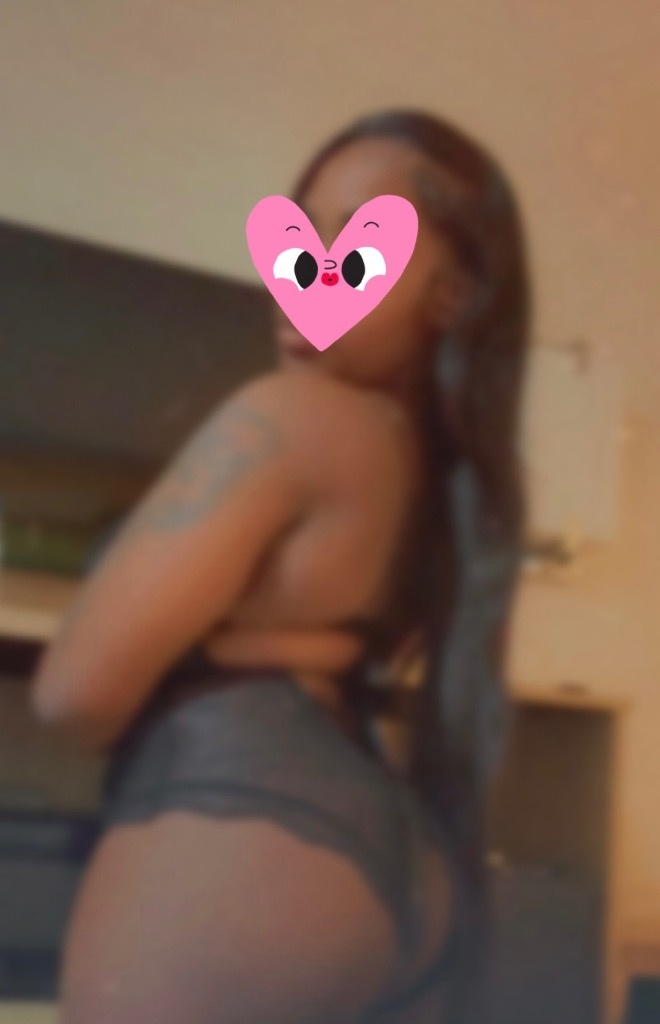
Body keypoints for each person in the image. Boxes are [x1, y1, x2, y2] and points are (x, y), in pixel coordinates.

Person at [31, 109, 531, 1024]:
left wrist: (211, 647)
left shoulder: (291, 416)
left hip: (240, 820)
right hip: (395, 863)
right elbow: (345, 647)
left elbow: (72, 694)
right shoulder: (443, 485)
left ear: (451, 296)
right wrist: (285, 645)